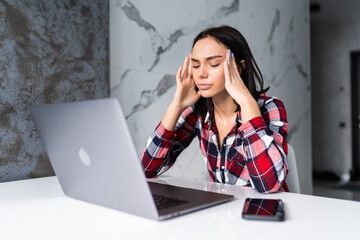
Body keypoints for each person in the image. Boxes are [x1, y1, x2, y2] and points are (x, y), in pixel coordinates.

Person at [141, 25, 289, 193]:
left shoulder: (270, 107)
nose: (201, 74)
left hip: (265, 211)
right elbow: (147, 170)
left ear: (239, 68)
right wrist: (176, 105)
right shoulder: (198, 113)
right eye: (195, 66)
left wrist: (247, 101)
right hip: (224, 211)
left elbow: (268, 185)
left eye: (213, 64)